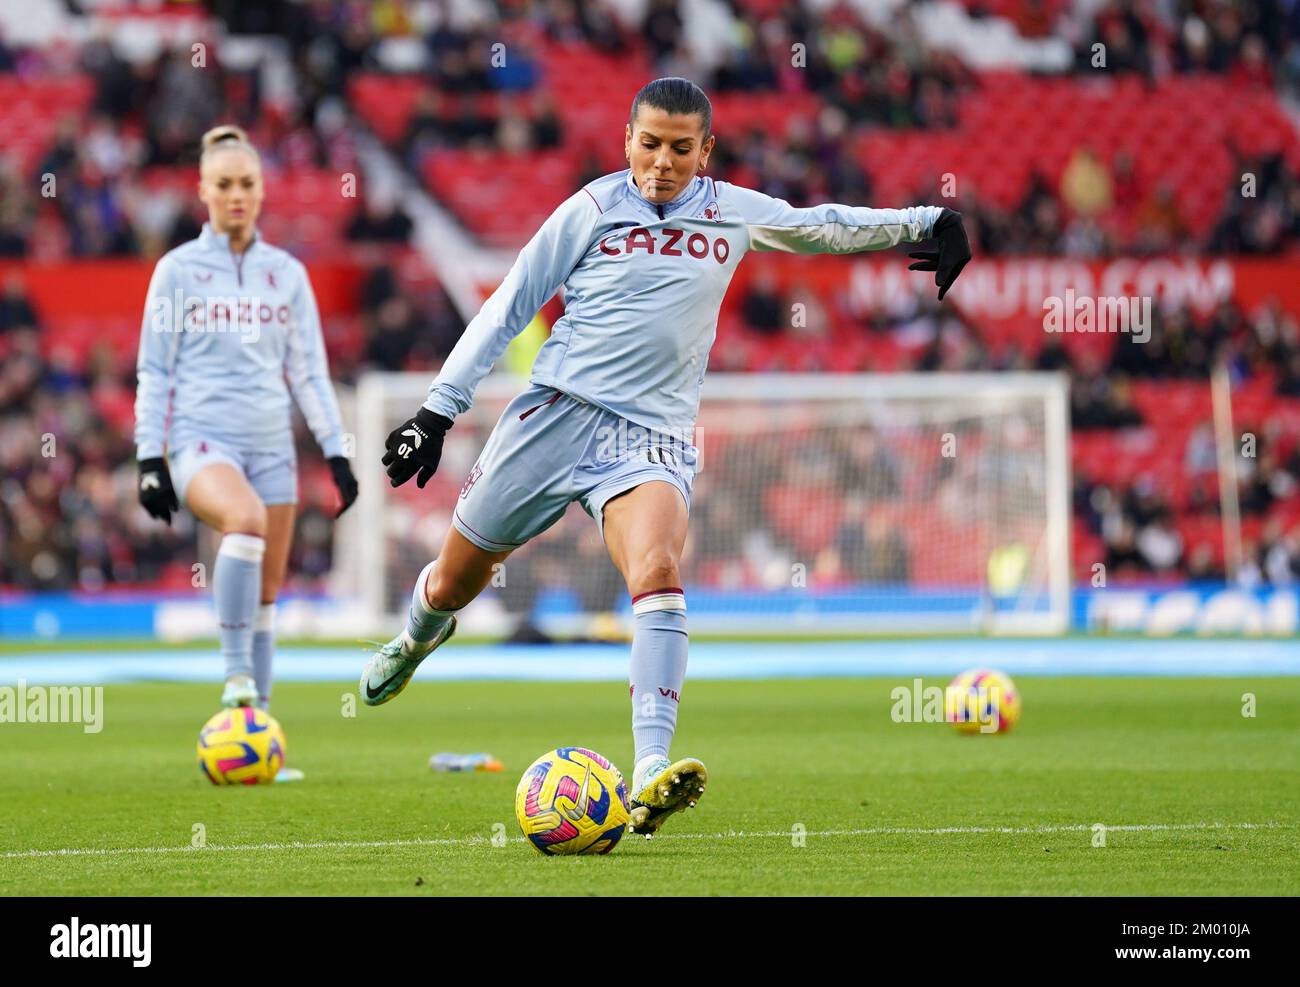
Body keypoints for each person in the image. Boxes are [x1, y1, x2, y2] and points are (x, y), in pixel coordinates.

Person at [360, 78, 970, 835]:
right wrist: (436, 410)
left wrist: (929, 220)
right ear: (627, 140)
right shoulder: (589, 210)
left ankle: (649, 768)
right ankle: (418, 636)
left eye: (681, 148)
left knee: (656, 569)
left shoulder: (731, 213)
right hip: (552, 419)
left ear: (705, 151)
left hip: (649, 438)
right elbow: (509, 303)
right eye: (649, 144)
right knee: (455, 581)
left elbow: (823, 227)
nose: (662, 162)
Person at [134, 125, 357, 780]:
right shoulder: (177, 271)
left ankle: (255, 738)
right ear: (202, 191)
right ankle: (235, 678)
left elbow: (309, 372)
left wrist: (337, 454)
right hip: (201, 442)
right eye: (224, 184)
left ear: (262, 191)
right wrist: (151, 458)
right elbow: (156, 369)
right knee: (245, 520)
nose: (237, 195)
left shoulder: (285, 274)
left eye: (248, 183)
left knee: (267, 596)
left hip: (272, 449)